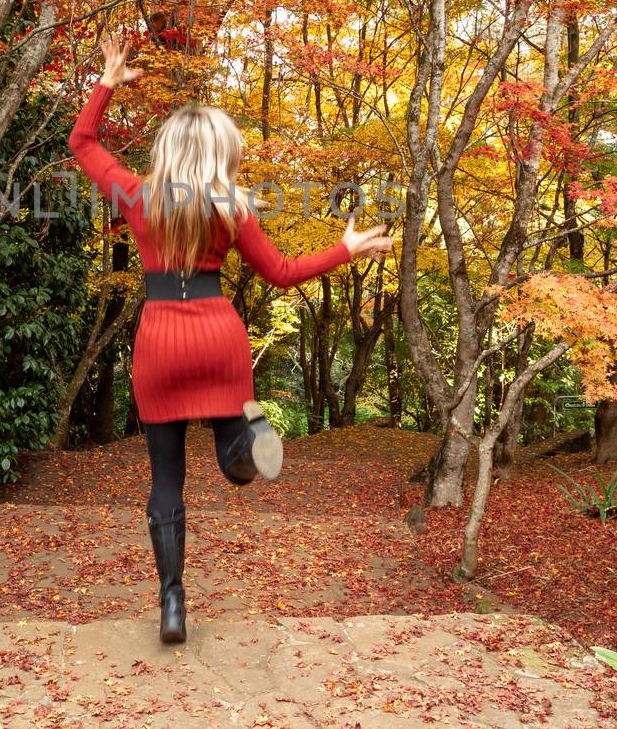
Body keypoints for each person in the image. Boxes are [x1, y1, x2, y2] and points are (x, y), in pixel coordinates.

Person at [68, 33, 395, 645]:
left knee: (166, 479)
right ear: (220, 152)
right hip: (219, 340)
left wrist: (108, 82)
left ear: (168, 148)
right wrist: (345, 249)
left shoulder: (138, 197)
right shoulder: (231, 207)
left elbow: (82, 142)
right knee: (232, 448)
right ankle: (248, 441)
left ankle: (171, 603)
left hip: (161, 344)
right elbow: (282, 273)